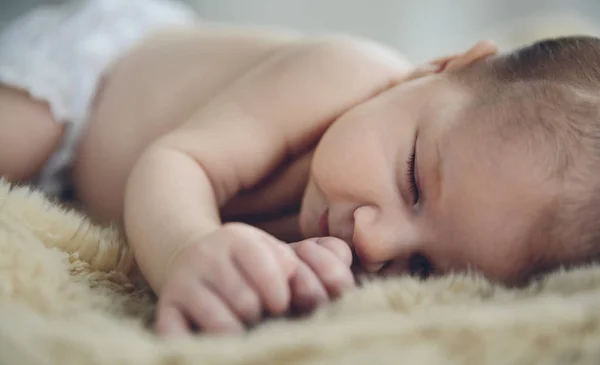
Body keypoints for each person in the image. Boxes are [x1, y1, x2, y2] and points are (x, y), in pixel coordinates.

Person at [2, 0, 600, 337]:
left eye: (423, 269)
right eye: (413, 180)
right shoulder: (342, 73)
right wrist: (189, 249)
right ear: (436, 69)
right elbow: (177, 162)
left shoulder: (351, 252)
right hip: (93, 84)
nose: (375, 239)